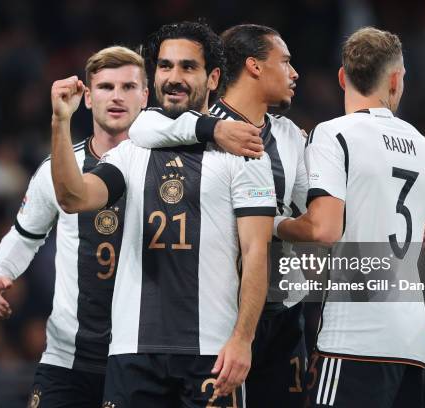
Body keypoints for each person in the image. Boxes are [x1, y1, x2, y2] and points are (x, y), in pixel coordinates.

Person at [49, 21, 276, 407]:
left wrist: (242, 339)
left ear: (214, 77)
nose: (174, 77)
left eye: (188, 67)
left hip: (212, 351)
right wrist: (60, 122)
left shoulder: (244, 153)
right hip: (132, 351)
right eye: (166, 66)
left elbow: (257, 253)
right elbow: (74, 198)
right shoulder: (130, 153)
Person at [128, 24, 309, 407]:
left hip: (284, 311)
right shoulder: (198, 123)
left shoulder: (292, 136)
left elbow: (316, 216)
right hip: (220, 314)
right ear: (255, 67)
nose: (294, 73)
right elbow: (143, 124)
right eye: (286, 62)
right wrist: (215, 130)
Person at [276, 27, 425, 408]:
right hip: (412, 339)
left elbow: (325, 229)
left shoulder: (336, 134)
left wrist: (274, 223)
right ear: (396, 80)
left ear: (341, 77)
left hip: (356, 335)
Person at [0, 46, 148, 407]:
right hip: (66, 356)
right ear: (87, 98)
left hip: (139, 356)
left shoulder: (164, 169)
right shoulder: (57, 168)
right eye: (105, 87)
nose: (117, 96)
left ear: (146, 97)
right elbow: (25, 235)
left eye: (128, 86)